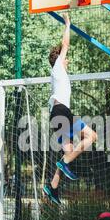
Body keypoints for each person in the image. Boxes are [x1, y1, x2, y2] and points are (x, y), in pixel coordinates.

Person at [43, 13, 98, 205]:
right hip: (61, 113)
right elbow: (65, 45)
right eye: (66, 59)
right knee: (91, 137)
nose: (68, 61)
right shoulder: (57, 67)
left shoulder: (59, 76)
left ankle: (52, 187)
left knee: (68, 154)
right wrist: (67, 24)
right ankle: (64, 165)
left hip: (56, 115)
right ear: (59, 59)